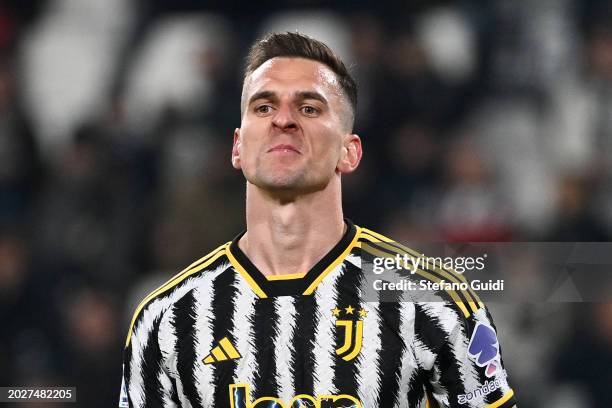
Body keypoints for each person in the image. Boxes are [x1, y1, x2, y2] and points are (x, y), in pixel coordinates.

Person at [119, 32, 517, 408]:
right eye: (263, 107)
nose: (283, 120)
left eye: (309, 107)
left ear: (350, 152)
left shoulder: (432, 303)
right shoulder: (166, 320)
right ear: (238, 147)